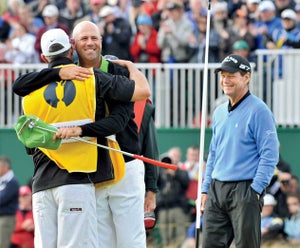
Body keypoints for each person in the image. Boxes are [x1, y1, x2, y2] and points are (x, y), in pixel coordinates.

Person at [12, 28, 150, 247]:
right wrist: (132, 66)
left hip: (41, 184)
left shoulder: (29, 94)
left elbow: (30, 146)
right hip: (78, 181)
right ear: (72, 49)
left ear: (44, 57)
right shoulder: (91, 79)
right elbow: (142, 92)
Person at [71, 20, 155, 248]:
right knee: (101, 241)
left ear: (101, 41)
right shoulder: (68, 75)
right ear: (73, 44)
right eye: (84, 39)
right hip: (92, 169)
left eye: (94, 38)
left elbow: (129, 125)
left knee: (131, 241)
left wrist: (132, 67)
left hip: (125, 166)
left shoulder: (120, 71)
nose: (90, 43)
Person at [200, 54, 280, 248]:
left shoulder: (259, 110)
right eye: (223, 76)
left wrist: (256, 189)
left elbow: (270, 153)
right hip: (216, 190)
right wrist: (205, 188)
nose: (225, 80)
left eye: (231, 75)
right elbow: (214, 153)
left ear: (246, 77)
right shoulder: (218, 112)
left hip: (245, 189)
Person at [156, 156, 190, 247]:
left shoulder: (181, 172)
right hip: (163, 207)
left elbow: (186, 183)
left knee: (181, 233)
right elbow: (155, 182)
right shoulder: (161, 172)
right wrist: (161, 167)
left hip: (178, 207)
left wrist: (175, 173)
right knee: (165, 233)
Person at [0, 156, 20, 248]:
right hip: (2, 218)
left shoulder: (12, 181)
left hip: (6, 219)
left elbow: (3, 198)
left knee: (3, 245)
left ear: (6, 167)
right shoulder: (3, 181)